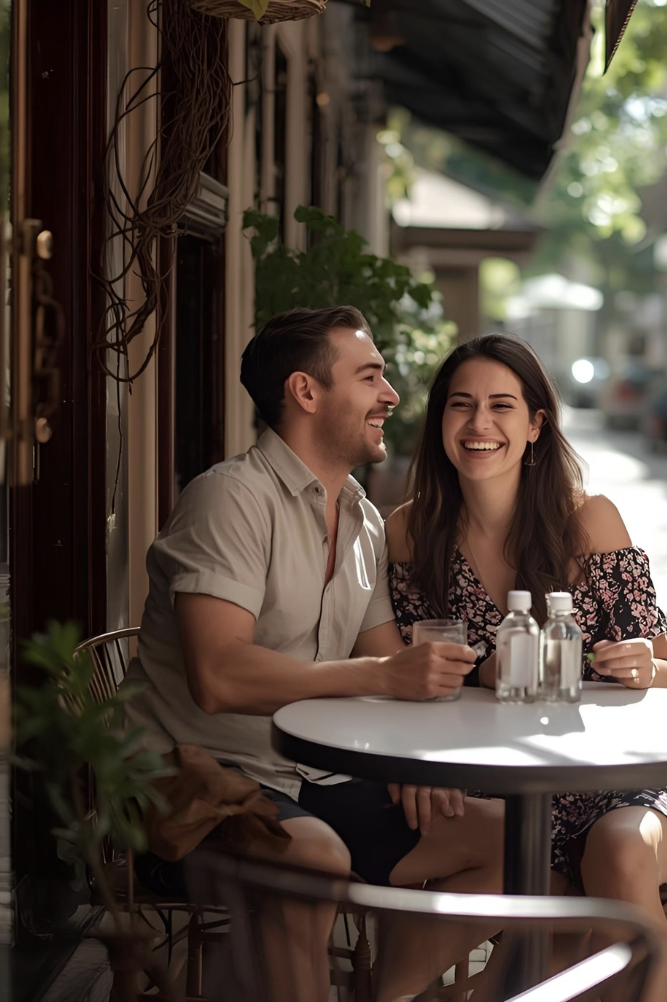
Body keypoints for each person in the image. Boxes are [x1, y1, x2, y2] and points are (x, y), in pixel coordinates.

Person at [122, 306, 504, 1002]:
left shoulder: (362, 518)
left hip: (315, 781)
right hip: (200, 785)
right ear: (305, 391)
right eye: (370, 376)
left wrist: (411, 758)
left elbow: (388, 665)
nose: (391, 395)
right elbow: (219, 675)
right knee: (314, 861)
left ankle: (383, 995)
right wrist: (384, 676)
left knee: (512, 839)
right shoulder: (229, 499)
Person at [386, 333, 667, 1002]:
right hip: (497, 787)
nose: (479, 424)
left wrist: (643, 664)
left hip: (622, 777)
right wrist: (479, 674)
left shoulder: (590, 519)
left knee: (617, 853)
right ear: (439, 420)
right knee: (541, 887)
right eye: (461, 405)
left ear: (535, 425)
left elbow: (666, 669)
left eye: (501, 406)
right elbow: (405, 672)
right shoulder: (410, 532)